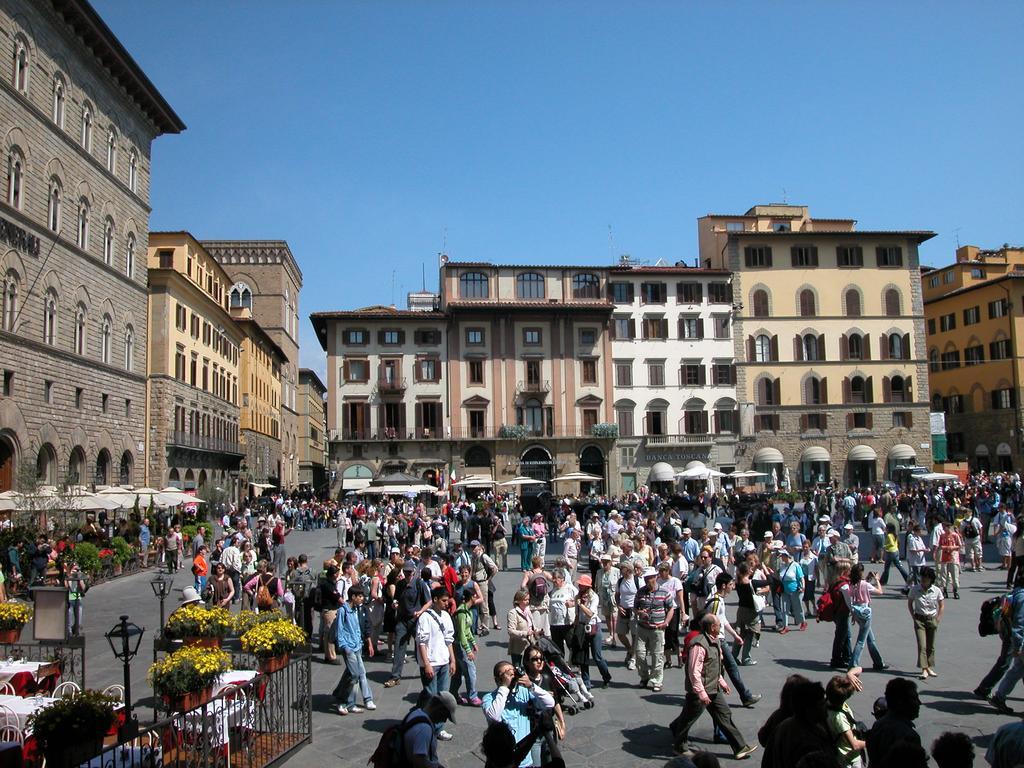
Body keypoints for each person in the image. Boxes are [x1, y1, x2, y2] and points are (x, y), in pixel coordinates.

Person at [669, 614, 757, 760]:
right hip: (700, 690)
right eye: (718, 625)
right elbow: (694, 672)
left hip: (713, 688)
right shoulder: (699, 644)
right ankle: (679, 747)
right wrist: (701, 693)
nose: (720, 627)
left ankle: (740, 747)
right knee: (688, 718)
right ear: (712, 627)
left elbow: (713, 666)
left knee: (724, 715)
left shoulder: (714, 641)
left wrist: (721, 682)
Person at [482, 660, 557, 768]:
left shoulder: (524, 692)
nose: (511, 677)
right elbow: (494, 717)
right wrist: (504, 687)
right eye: (506, 674)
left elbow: (550, 703)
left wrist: (531, 685)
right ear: (497, 679)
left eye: (512, 674)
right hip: (501, 763)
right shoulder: (489, 698)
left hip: (525, 761)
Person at [415, 587, 456, 740]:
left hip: (444, 661)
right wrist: (426, 663)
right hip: (431, 662)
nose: (447, 603)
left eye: (448, 600)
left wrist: (452, 659)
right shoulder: (425, 618)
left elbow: (449, 640)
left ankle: (438, 728)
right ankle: (425, 724)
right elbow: (422, 642)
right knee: (431, 695)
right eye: (444, 601)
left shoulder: (446, 616)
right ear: (435, 600)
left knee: (443, 696)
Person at [386, 560, 432, 688]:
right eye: (405, 572)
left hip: (415, 620)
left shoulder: (419, 584)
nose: (407, 574)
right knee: (399, 646)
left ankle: (427, 668)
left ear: (414, 572)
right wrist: (395, 604)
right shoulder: (400, 584)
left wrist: (420, 611)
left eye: (409, 572)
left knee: (420, 646)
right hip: (402, 620)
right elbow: (396, 599)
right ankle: (395, 676)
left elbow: (429, 602)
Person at [332, 584, 376, 715]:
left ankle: (350, 703)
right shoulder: (343, 611)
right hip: (348, 647)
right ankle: (342, 701)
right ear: (353, 597)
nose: (362, 599)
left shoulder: (357, 610)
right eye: (360, 596)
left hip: (357, 645)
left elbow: (358, 628)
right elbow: (339, 630)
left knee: (355, 674)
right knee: (355, 675)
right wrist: (344, 646)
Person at [634, 566, 674, 693]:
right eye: (646, 579)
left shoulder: (664, 592)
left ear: (655, 577)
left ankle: (657, 680)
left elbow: (671, 608)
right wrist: (640, 612)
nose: (647, 581)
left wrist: (666, 622)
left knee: (657, 656)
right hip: (642, 627)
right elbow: (635, 608)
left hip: (657, 629)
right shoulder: (640, 592)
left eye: (650, 578)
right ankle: (644, 677)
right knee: (640, 654)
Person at [865, 678, 921, 766]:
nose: (919, 703)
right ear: (901, 702)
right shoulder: (908, 736)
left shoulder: (878, 724)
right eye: (914, 698)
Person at [990, 570, 1024, 713]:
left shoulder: (1015, 593)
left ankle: (1000, 696)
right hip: (1021, 642)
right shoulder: (1022, 597)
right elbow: (1020, 624)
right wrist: (1017, 645)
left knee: (1017, 670)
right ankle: (999, 696)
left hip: (1017, 640)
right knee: (1017, 669)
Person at [841, 564, 886, 671]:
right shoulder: (865, 584)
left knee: (870, 638)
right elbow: (880, 592)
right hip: (865, 612)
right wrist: (877, 580)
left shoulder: (852, 584)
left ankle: (878, 662)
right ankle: (853, 663)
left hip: (857, 611)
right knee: (861, 641)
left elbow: (852, 596)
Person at [396, 692, 458, 768]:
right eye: (445, 715)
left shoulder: (415, 713)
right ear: (439, 708)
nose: (444, 720)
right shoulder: (424, 729)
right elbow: (419, 761)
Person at [906, 566, 943, 680]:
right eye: (922, 578)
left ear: (930, 580)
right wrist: (913, 616)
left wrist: (938, 618)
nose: (922, 581)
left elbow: (941, 605)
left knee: (931, 646)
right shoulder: (915, 589)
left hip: (931, 619)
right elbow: (910, 603)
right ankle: (924, 669)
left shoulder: (936, 590)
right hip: (919, 619)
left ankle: (929, 667)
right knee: (922, 645)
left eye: (925, 579)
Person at [574, 575, 611, 689]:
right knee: (583, 656)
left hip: (593, 626)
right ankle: (586, 681)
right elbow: (577, 614)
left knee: (597, 656)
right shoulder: (578, 596)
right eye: (579, 584)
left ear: (587, 586)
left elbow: (590, 613)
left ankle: (606, 677)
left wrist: (580, 604)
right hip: (582, 627)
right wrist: (575, 626)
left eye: (582, 585)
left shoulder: (594, 597)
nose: (579, 586)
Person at [825, 674, 866, 768]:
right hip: (848, 758)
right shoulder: (839, 718)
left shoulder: (828, 701)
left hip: (837, 754)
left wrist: (849, 675)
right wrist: (873, 742)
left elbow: (858, 669)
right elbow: (854, 745)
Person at [451, 587, 481, 706]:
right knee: (470, 671)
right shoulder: (462, 613)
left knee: (458, 672)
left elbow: (468, 630)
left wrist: (473, 642)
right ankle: (472, 696)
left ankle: (453, 693)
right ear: (472, 597)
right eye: (476, 596)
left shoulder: (467, 610)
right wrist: (468, 650)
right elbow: (462, 633)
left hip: (463, 644)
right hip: (460, 645)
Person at [776, 550, 806, 633]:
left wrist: (803, 587)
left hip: (795, 590)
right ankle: (786, 626)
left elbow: (801, 577)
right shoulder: (782, 565)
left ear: (786, 556)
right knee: (785, 609)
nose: (781, 557)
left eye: (782, 556)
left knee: (797, 607)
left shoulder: (795, 565)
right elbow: (780, 576)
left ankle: (803, 622)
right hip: (785, 590)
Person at [64, 563, 87, 637]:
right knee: (69, 618)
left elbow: (83, 588)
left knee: (79, 618)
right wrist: (70, 577)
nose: (75, 572)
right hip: (69, 599)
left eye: (77, 570)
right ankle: (69, 631)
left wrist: (79, 579)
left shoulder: (79, 577)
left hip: (78, 599)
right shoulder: (67, 577)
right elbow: (67, 587)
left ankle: (76, 629)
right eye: (74, 570)